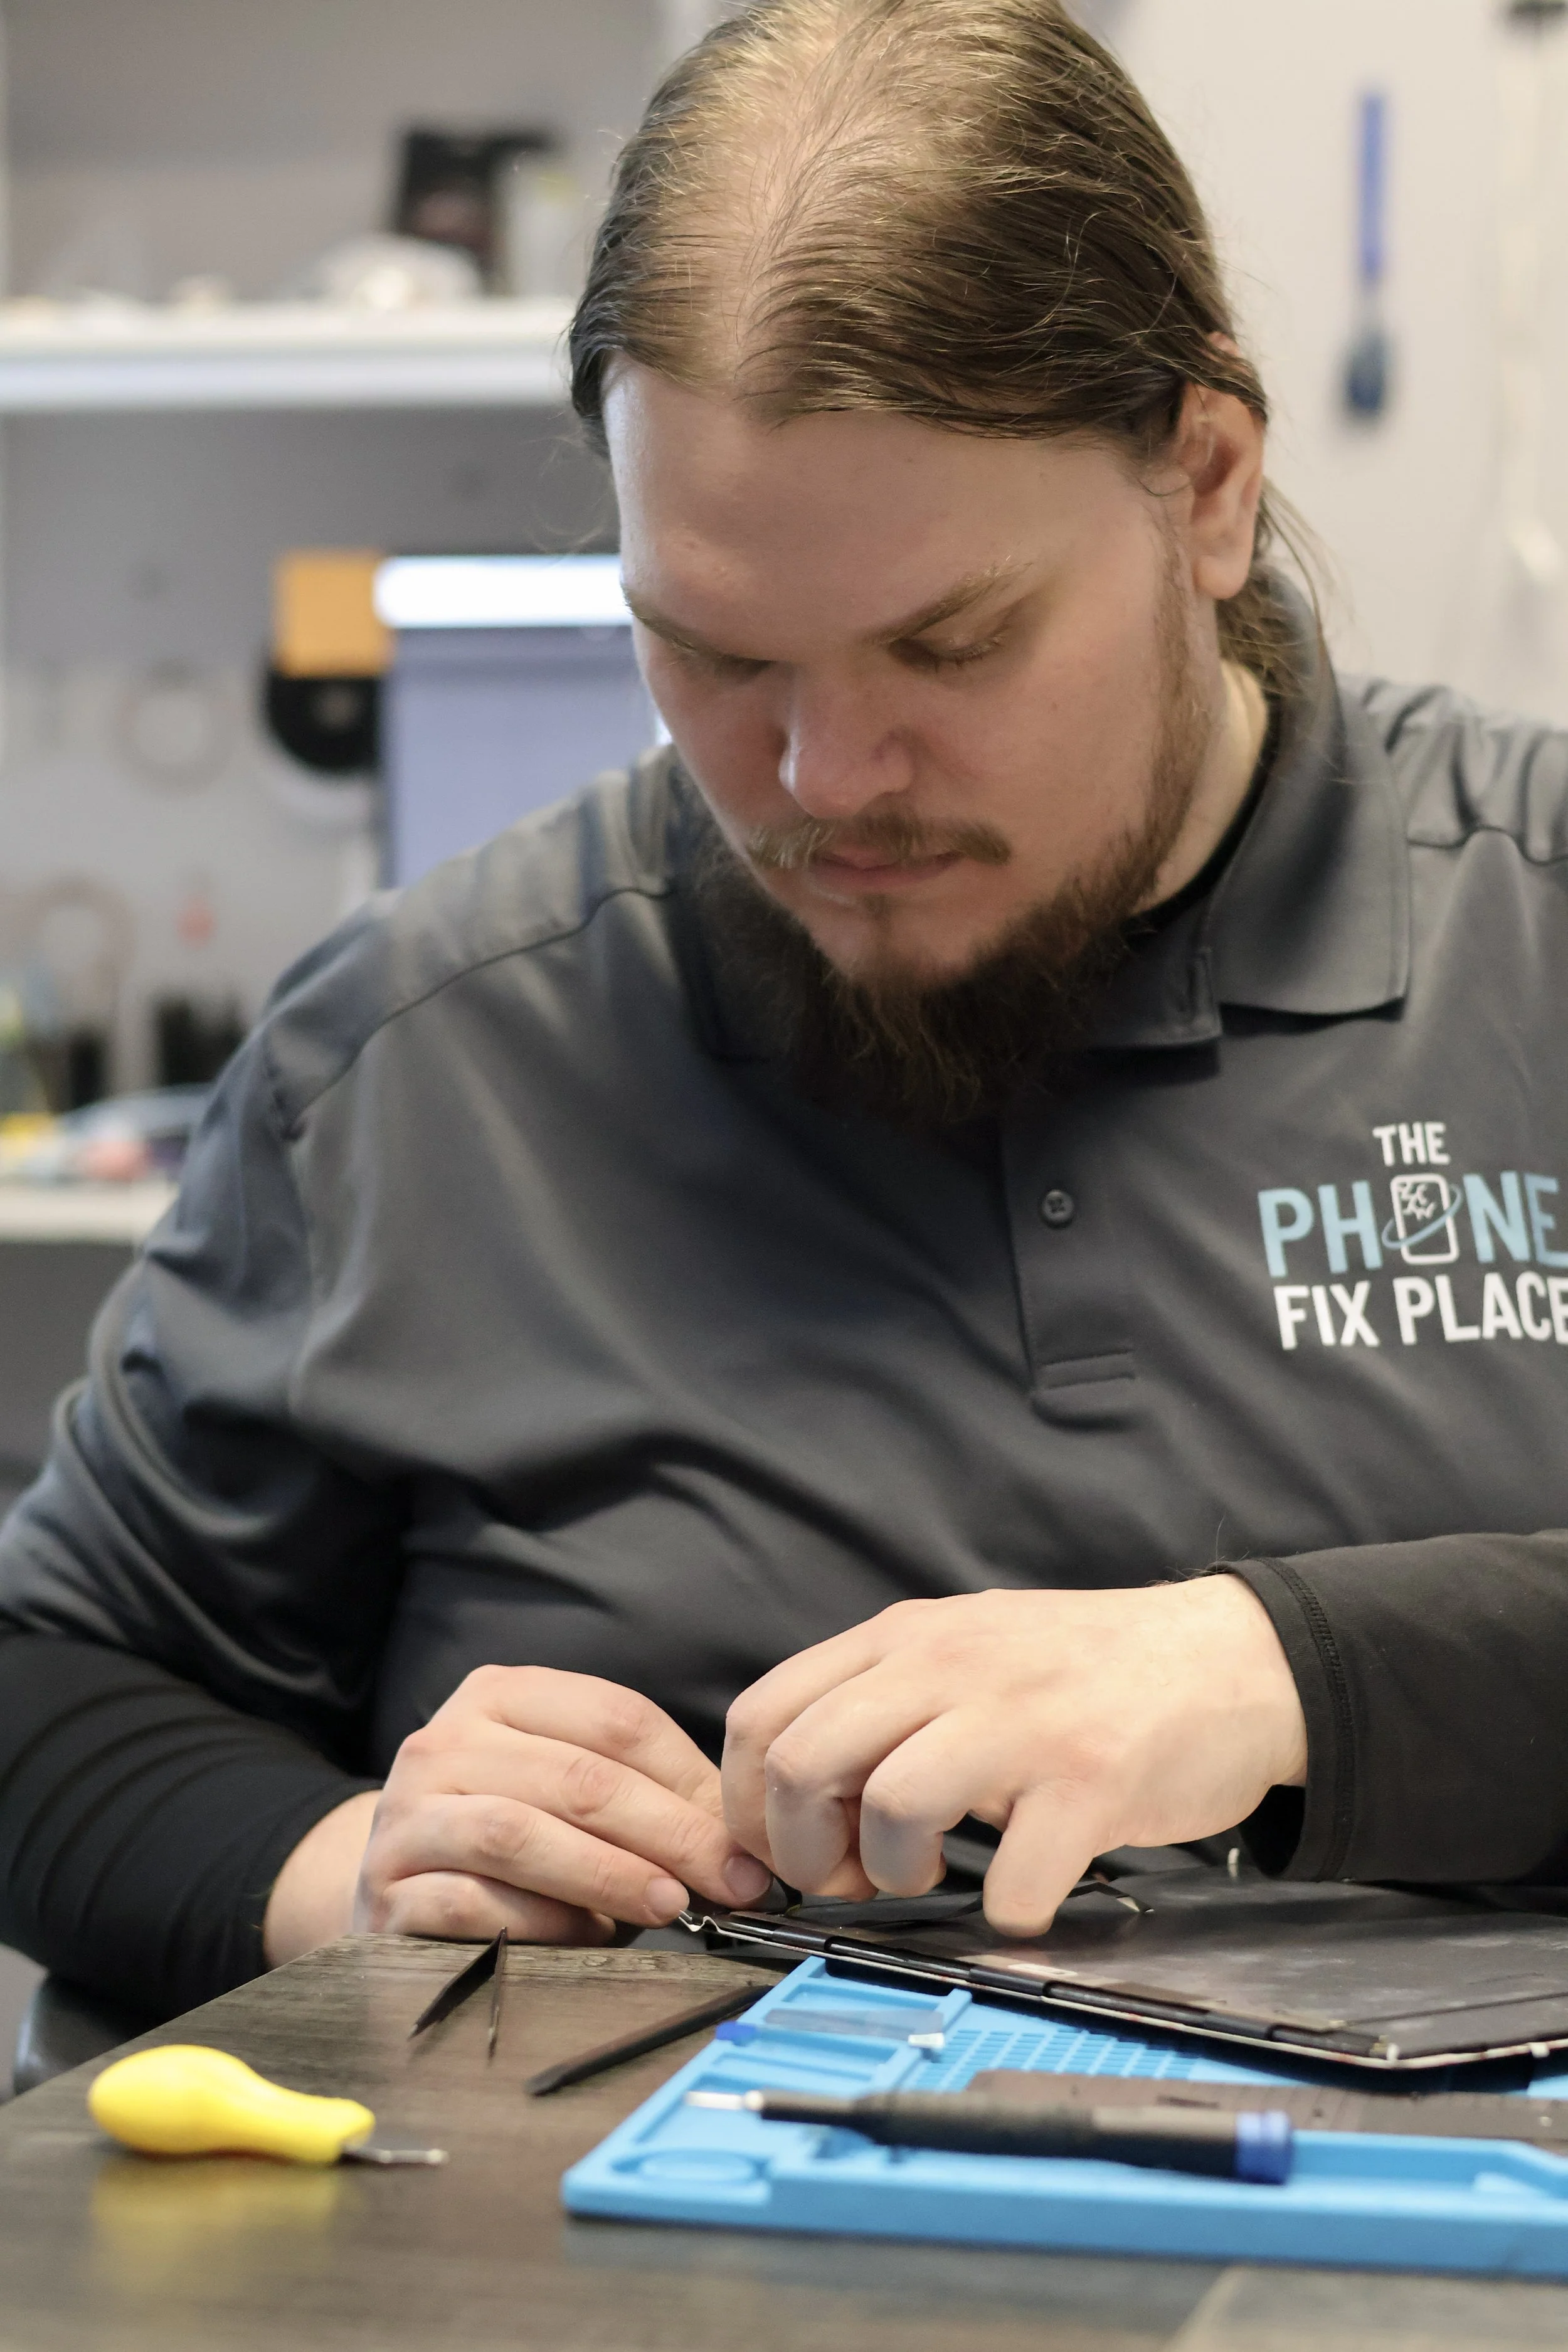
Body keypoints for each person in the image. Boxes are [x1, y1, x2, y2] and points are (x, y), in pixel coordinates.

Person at [4, 0, 1568, 2028]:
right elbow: (52, 1685)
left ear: (1203, 483)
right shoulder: (424, 1060)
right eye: (712, 654)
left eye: (951, 643)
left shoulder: (1523, 932)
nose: (825, 780)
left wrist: (1283, 1674)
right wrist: (346, 1864)